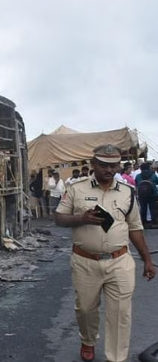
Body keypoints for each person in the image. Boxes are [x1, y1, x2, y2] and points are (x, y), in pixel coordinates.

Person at [55, 144, 155, 362]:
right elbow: (59, 218)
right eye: (104, 165)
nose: (109, 170)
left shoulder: (127, 192)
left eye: (114, 165)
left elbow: (135, 228)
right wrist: (81, 218)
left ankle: (116, 358)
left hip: (120, 261)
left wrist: (148, 260)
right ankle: (88, 340)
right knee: (85, 309)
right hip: (85, 261)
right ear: (93, 164)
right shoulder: (76, 188)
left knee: (120, 314)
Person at [134, 162, 158, 227]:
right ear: (149, 168)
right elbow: (156, 182)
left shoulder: (138, 176)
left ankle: (143, 222)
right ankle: (154, 223)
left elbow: (136, 184)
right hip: (152, 194)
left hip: (142, 195)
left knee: (143, 208)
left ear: (141, 169)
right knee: (153, 208)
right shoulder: (153, 175)